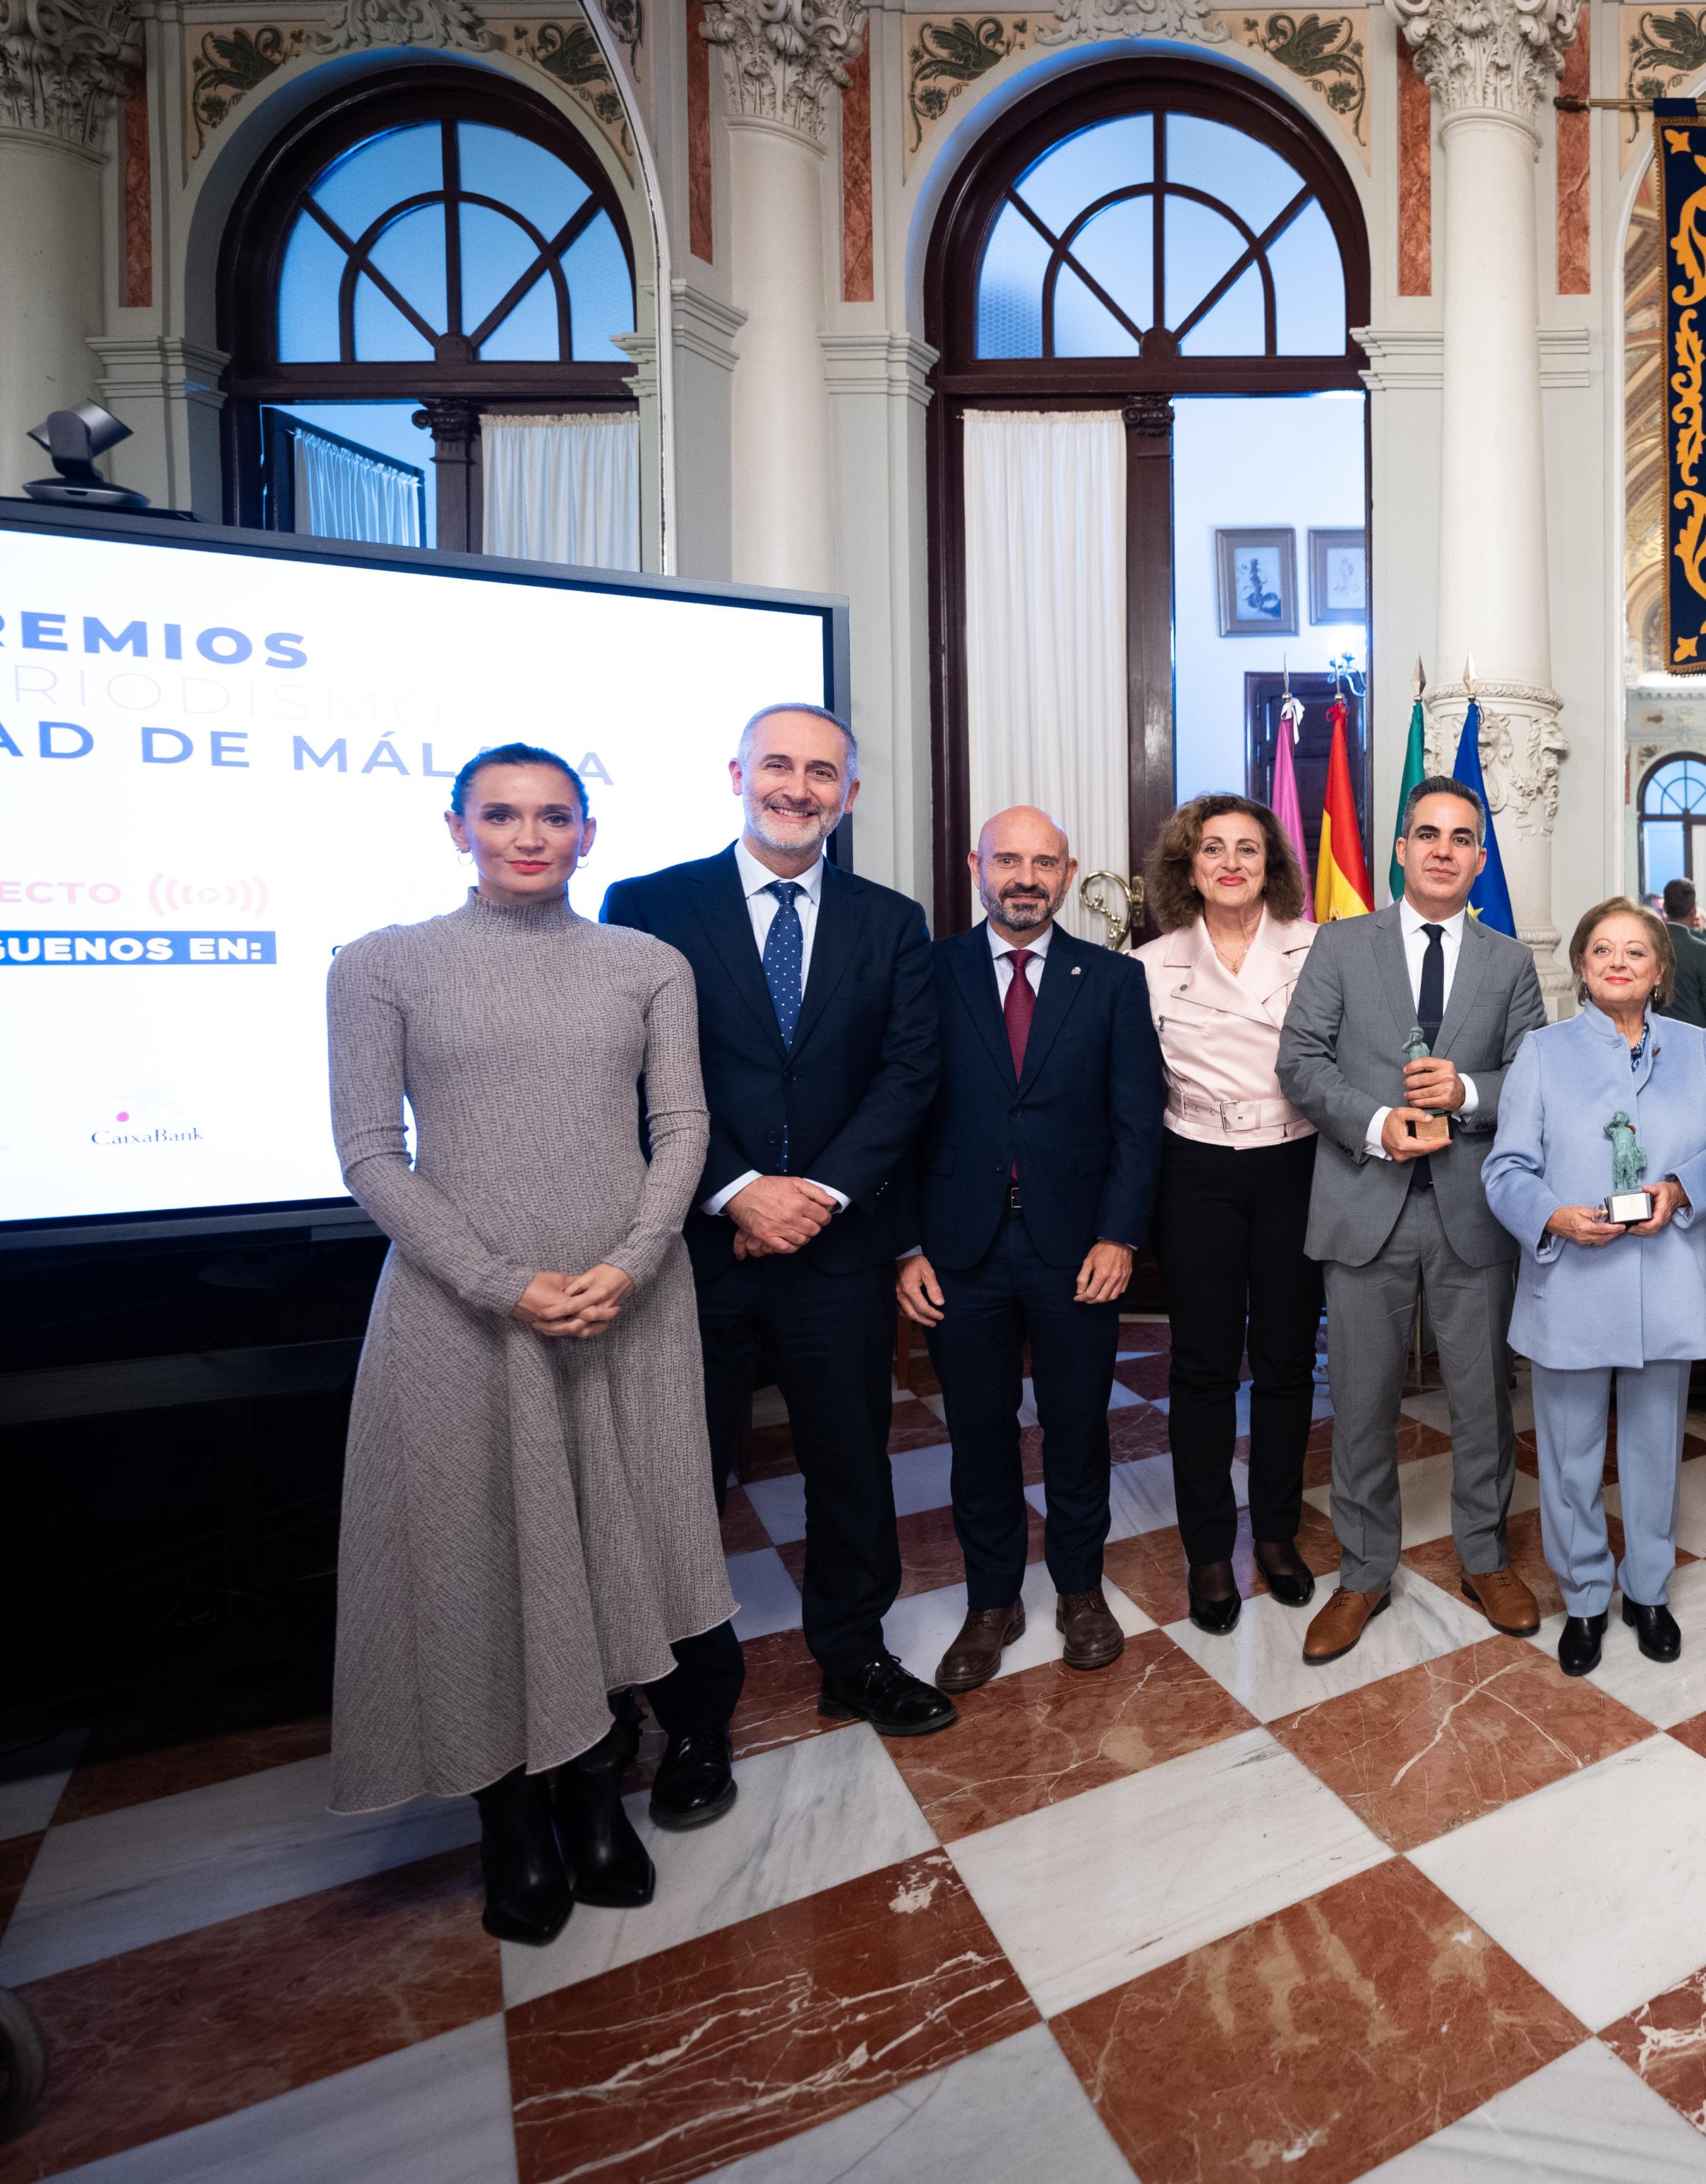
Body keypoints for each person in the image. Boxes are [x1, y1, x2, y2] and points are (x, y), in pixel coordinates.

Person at [328, 744, 731, 1945]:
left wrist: (636, 1256)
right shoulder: (382, 964)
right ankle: (508, 1817)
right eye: (500, 814)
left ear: (588, 833)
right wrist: (503, 1284)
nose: (528, 835)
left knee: (617, 1540)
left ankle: (592, 1788)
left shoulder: (647, 963)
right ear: (456, 826)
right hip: (462, 1315)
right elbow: (366, 1152)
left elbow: (683, 1122)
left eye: (554, 815)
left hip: (628, 1304)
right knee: (483, 1552)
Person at [601, 704, 950, 1777]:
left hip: (836, 1255)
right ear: (739, 774)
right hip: (694, 1253)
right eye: (780, 766)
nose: (799, 787)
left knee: (851, 1466)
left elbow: (908, 1077)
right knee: (681, 1481)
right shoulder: (649, 905)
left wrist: (822, 1195)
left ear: (851, 793)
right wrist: (740, 1190)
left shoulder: (891, 922)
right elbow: (630, 1071)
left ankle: (854, 1655)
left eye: (825, 772)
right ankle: (691, 1709)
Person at [1278, 776, 1547, 1662]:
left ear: (1479, 856)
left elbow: (1534, 1079)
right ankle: (1362, 1574)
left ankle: (1485, 1557)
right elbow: (1301, 1059)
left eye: (1461, 837)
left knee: (1481, 1403)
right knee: (1358, 1405)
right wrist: (1373, 1122)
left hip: (1474, 1212)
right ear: (1400, 849)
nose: (1442, 848)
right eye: (1426, 833)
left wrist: (1468, 1093)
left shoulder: (1508, 961)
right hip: (1365, 1204)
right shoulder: (1340, 941)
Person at [896, 808, 1163, 1690]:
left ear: (1067, 871)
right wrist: (905, 1248)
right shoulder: (927, 971)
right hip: (957, 1249)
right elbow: (895, 1120)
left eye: (1043, 862)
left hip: (1075, 1247)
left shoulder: (1113, 979)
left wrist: (1120, 1233)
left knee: (1078, 1426)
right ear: (976, 864)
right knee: (977, 1433)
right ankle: (991, 1600)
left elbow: (1136, 1121)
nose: (1024, 876)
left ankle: (1081, 1590)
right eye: (1007, 858)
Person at [1482, 901, 1706, 1672]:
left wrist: (1678, 1187)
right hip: (1570, 1279)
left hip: (1664, 1281)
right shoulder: (1541, 1052)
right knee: (1569, 1453)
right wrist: (1551, 1215)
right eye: (1601, 948)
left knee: (1653, 1448)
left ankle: (1646, 1590)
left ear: (1660, 969)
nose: (1617, 961)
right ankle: (1581, 1599)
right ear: (1579, 966)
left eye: (1634, 951)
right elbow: (1504, 1170)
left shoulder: (1698, 1050)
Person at [1136, 793, 1326, 1632]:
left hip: (1296, 1162)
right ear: (1187, 865)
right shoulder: (1147, 964)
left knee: (1287, 1362)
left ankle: (1278, 1534)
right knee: (1203, 1366)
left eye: (1247, 848)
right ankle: (1210, 1549)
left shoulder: (1317, 948)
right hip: (1194, 1169)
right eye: (1212, 848)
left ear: (1271, 863)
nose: (1230, 862)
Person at [1659, 875, 1706, 1013]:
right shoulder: (1702, 949)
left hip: (1653, 1027)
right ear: (1693, 911)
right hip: (1693, 1029)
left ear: (1665, 907)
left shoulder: (1651, 944)